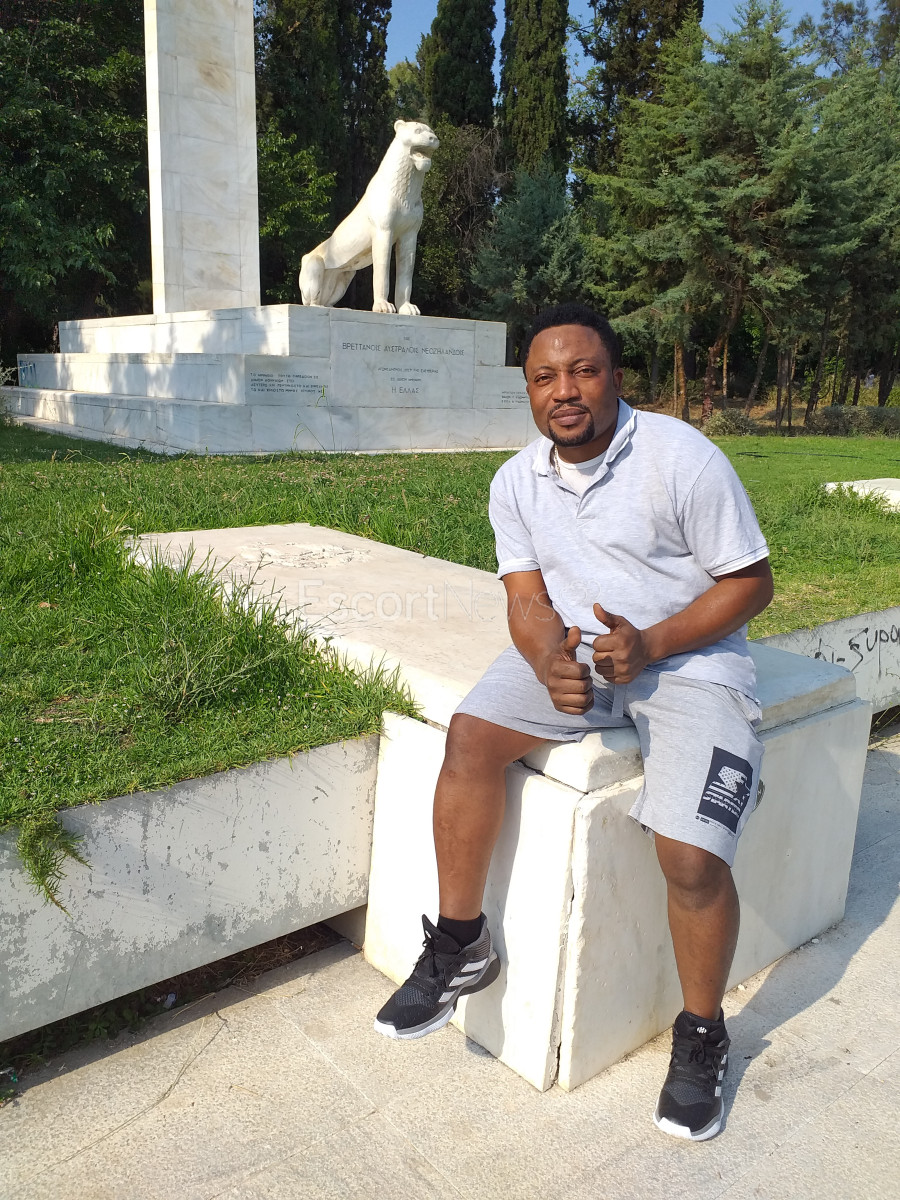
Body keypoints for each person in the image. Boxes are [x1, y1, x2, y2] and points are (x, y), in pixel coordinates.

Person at [373, 303, 773, 1142]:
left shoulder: (681, 457)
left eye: (584, 371)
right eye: (545, 377)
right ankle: (461, 944)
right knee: (471, 738)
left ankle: (703, 1034)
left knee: (691, 855)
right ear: (527, 390)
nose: (565, 391)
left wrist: (652, 642)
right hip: (582, 655)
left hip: (690, 660)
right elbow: (526, 599)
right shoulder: (516, 482)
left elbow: (750, 583)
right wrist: (546, 658)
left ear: (616, 378)